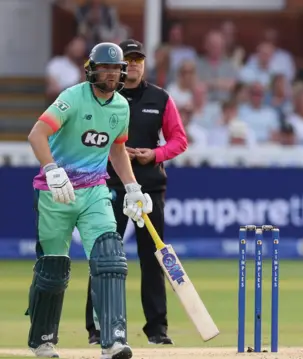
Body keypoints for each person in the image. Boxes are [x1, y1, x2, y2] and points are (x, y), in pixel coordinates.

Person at [26, 42, 153, 359]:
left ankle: (113, 341)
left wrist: (132, 187)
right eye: (104, 68)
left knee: (110, 257)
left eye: (115, 68)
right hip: (56, 192)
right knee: (53, 267)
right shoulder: (72, 97)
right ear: (92, 69)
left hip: (95, 190)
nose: (110, 74)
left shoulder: (121, 106)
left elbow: (117, 148)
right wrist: (52, 170)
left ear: (122, 72)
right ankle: (43, 340)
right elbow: (37, 134)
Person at [84, 39, 188, 346]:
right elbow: (88, 139)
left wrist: (152, 155)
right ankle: (96, 328)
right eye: (128, 60)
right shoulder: (103, 96)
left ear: (144, 63)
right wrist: (115, 152)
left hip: (149, 189)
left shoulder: (160, 98)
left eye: (138, 59)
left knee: (153, 259)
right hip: (109, 186)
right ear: (119, 65)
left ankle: (157, 329)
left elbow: (179, 140)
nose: (134, 64)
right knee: (104, 258)